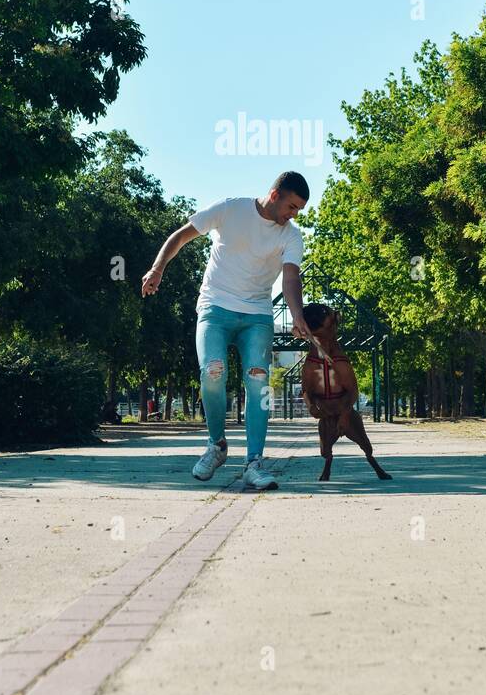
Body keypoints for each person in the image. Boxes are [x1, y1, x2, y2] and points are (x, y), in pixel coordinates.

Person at [141, 171, 313, 489]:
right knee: (212, 371)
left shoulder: (291, 236)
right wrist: (157, 268)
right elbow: (180, 236)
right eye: (292, 206)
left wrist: (297, 314)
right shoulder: (230, 210)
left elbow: (291, 277)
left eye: (298, 210)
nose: (294, 215)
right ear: (275, 195)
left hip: (257, 316)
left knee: (259, 378)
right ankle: (217, 445)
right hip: (215, 308)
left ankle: (254, 462)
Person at [300, 302, 391, 483]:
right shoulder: (311, 362)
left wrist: (345, 414)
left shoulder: (339, 359)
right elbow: (306, 391)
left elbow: (353, 391)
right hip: (326, 416)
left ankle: (374, 464)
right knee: (325, 451)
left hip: (345, 412)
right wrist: (311, 406)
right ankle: (327, 468)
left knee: (366, 446)